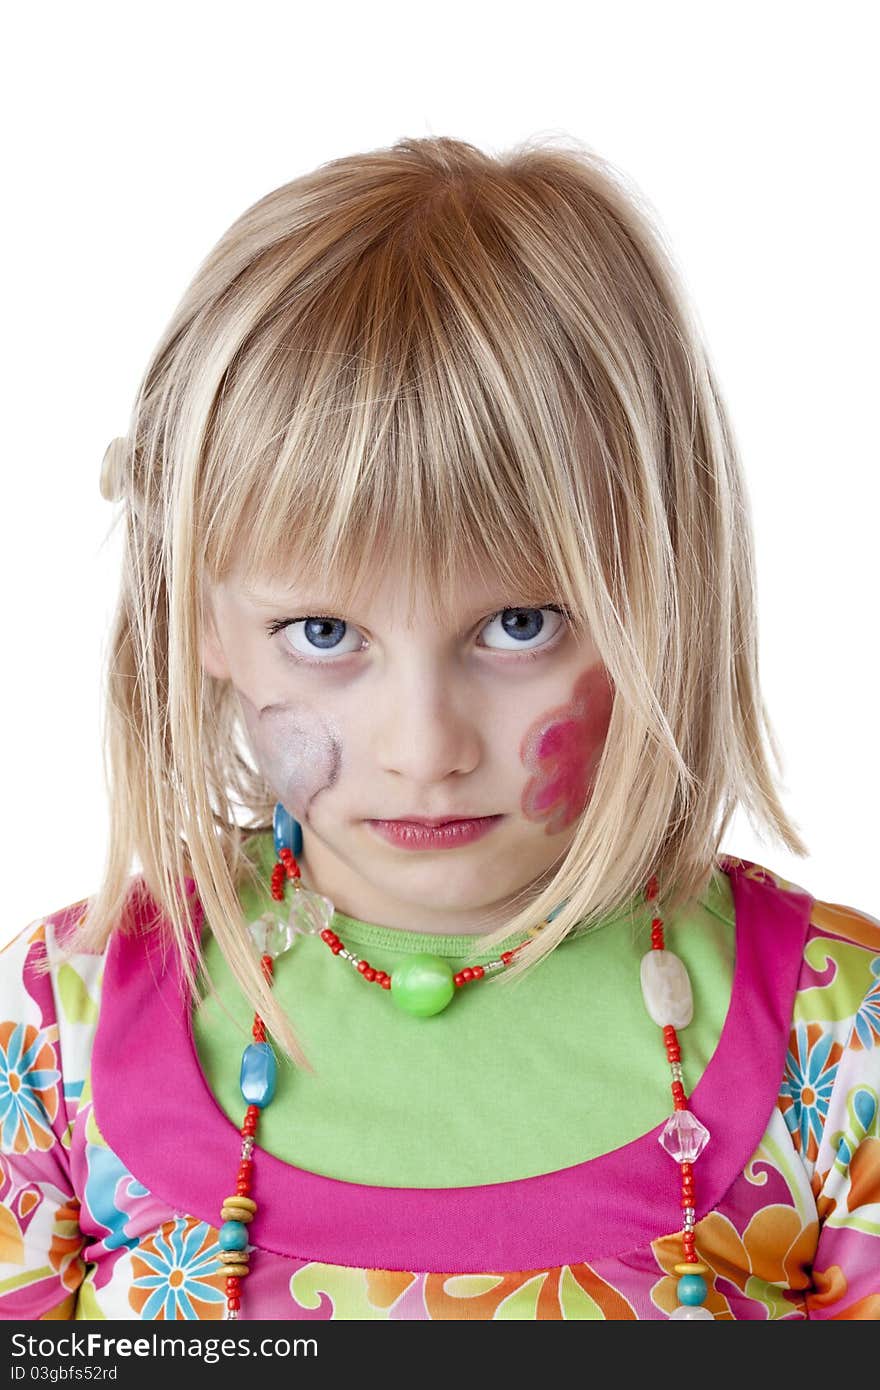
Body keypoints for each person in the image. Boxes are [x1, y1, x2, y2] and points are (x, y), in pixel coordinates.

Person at [1, 133, 877, 1324]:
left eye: (518, 624)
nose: (426, 746)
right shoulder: (52, 1038)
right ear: (195, 613)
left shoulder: (842, 1037)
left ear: (662, 596)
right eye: (322, 632)